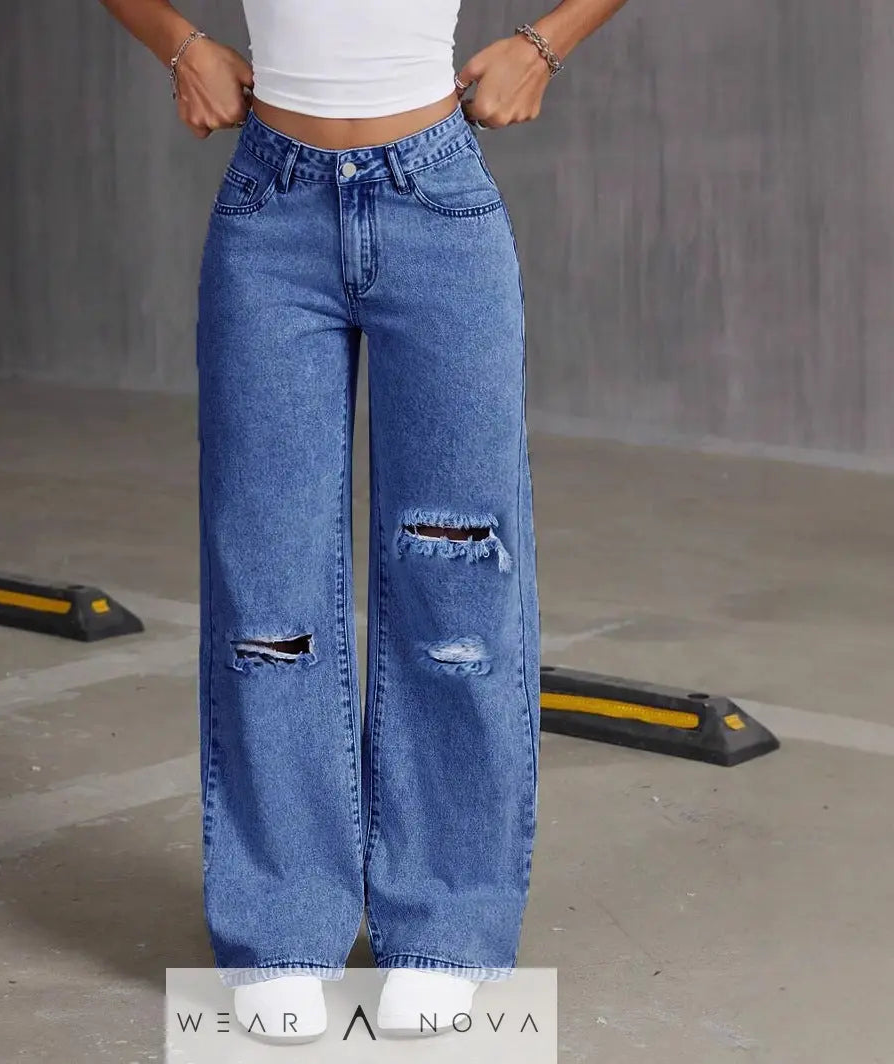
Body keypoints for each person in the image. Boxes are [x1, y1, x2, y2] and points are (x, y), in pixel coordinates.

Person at [102, 0, 629, 1042]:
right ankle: (281, 922)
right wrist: (178, 43)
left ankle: (444, 922)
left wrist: (546, 44)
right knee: (267, 584)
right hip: (271, 210)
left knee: (456, 574)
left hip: (437, 201)